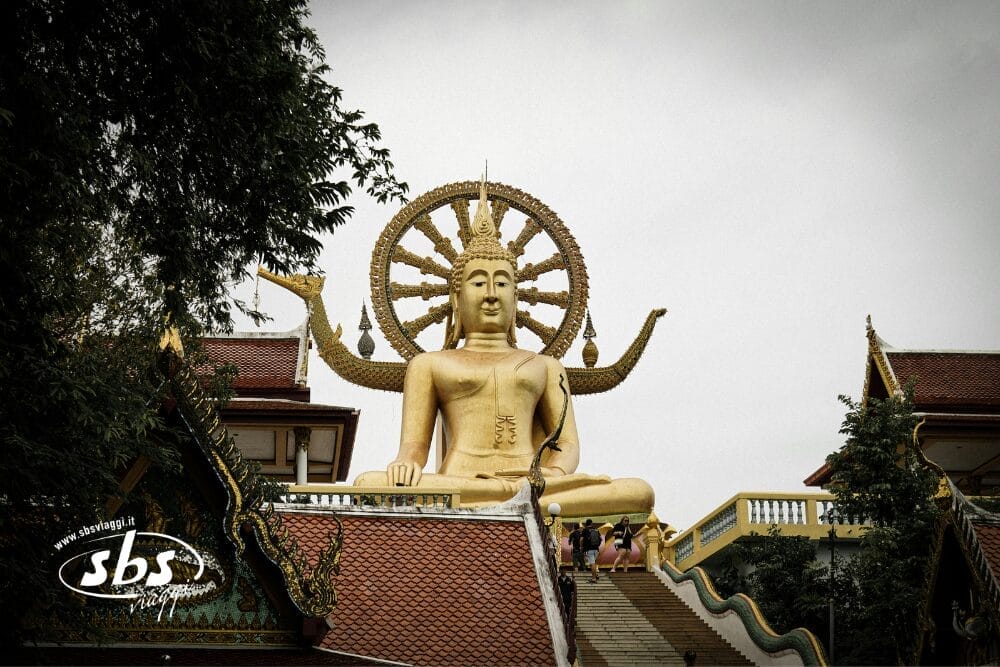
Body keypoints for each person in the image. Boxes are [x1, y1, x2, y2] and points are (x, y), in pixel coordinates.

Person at [354, 179, 654, 517]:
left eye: (502, 282)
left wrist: (554, 473)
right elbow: (414, 446)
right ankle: (511, 503)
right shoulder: (429, 365)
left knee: (638, 492)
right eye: (479, 282)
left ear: (516, 296)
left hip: (535, 484)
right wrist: (405, 463)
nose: (491, 293)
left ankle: (517, 502)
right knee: (368, 484)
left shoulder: (545, 366)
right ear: (457, 297)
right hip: (461, 481)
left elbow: (567, 445)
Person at [582, 519, 602, 583]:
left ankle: (593, 578)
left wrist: (581, 547)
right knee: (594, 563)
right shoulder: (596, 530)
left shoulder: (585, 530)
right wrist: (597, 545)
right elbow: (601, 539)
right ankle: (595, 574)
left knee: (592, 563)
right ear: (591, 523)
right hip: (596, 549)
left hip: (589, 549)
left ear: (586, 523)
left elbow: (581, 540)